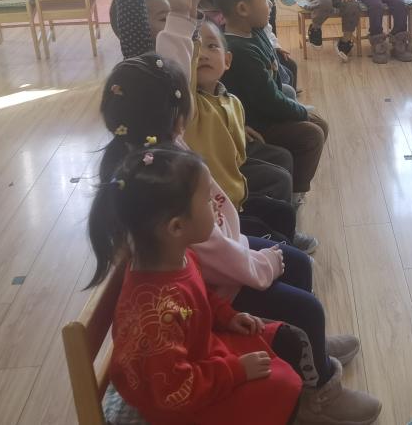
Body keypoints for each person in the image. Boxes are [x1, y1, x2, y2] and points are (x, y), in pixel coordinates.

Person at [97, 54, 380, 425]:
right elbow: (212, 259)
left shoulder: (157, 160)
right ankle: (320, 393)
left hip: (213, 277)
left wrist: (235, 299)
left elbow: (202, 270)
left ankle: (311, 348)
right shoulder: (162, 187)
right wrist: (258, 267)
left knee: (297, 264)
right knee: (306, 308)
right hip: (220, 277)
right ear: (175, 117)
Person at [88, 147, 303, 425]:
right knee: (285, 386)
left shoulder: (179, 256)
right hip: (183, 401)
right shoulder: (155, 316)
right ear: (176, 227)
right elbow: (176, 391)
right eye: (206, 200)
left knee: (287, 341)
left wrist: (228, 316)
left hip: (201, 354)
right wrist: (236, 370)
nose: (215, 205)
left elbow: (200, 297)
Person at [108, 0, 297, 226]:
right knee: (272, 192)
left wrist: (190, 7)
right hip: (201, 179)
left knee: (278, 180)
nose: (176, 22)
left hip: (223, 151)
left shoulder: (186, 52)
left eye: (173, 16)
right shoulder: (147, 65)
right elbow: (141, 31)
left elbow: (196, 47)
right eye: (164, 17)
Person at [155, 0, 317, 252]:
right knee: (284, 169)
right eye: (197, 49)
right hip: (216, 192)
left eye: (212, 47)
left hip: (234, 174)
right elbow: (177, 66)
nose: (203, 54)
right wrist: (182, 13)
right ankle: (269, 232)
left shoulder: (227, 96)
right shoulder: (189, 104)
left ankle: (278, 226)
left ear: (226, 60)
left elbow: (262, 15)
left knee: (281, 166)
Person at [211, 0, 329, 196]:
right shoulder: (240, 51)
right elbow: (270, 102)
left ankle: (293, 173)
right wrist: (300, 112)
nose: (270, 3)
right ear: (243, 8)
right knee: (313, 135)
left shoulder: (253, 31)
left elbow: (271, 92)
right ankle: (295, 193)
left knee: (318, 123)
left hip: (264, 111)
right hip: (256, 123)